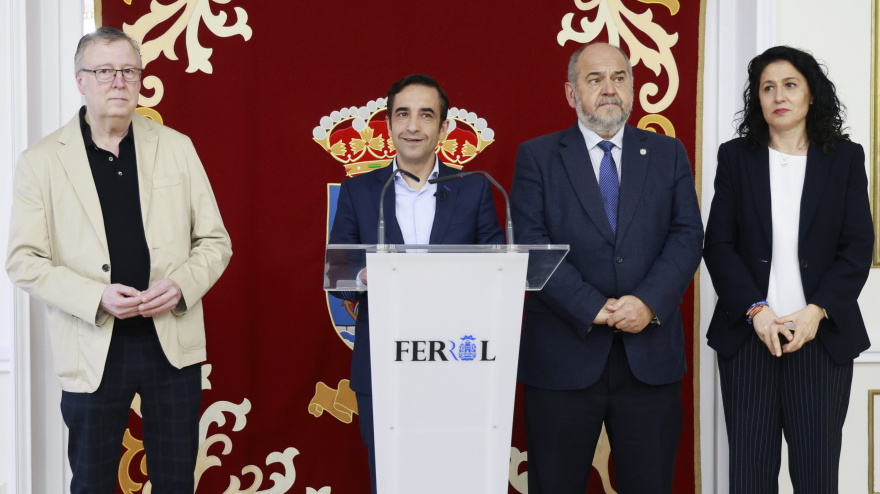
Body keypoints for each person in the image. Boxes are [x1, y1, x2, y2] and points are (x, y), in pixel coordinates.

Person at [5, 27, 232, 493]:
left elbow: (215, 241)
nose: (119, 82)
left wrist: (183, 285)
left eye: (129, 71)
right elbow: (24, 260)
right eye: (104, 71)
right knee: (91, 483)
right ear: (80, 81)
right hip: (92, 344)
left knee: (175, 482)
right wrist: (96, 297)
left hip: (171, 341)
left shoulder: (177, 147)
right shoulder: (42, 161)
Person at [510, 42, 703, 493]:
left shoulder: (667, 152)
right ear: (570, 92)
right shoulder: (537, 157)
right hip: (562, 357)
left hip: (649, 355)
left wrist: (647, 302)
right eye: (594, 79)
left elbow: (687, 235)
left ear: (633, 88)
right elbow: (530, 247)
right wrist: (594, 307)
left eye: (619, 78)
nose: (609, 89)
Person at [703, 45, 873, 493]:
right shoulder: (736, 158)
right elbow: (718, 245)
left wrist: (816, 311)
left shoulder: (845, 159)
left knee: (817, 478)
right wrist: (756, 310)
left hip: (820, 340)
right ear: (757, 99)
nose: (779, 95)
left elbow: (858, 247)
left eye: (790, 84)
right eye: (767, 87)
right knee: (750, 479)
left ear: (811, 94)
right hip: (748, 338)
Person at [327, 73, 503, 493]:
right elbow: (337, 274)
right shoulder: (359, 192)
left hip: (460, 364)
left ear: (443, 128)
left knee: (455, 479)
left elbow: (500, 270)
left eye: (426, 115)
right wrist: (364, 275)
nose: (413, 125)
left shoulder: (475, 188)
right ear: (387, 125)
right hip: (382, 366)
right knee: (390, 478)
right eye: (402, 114)